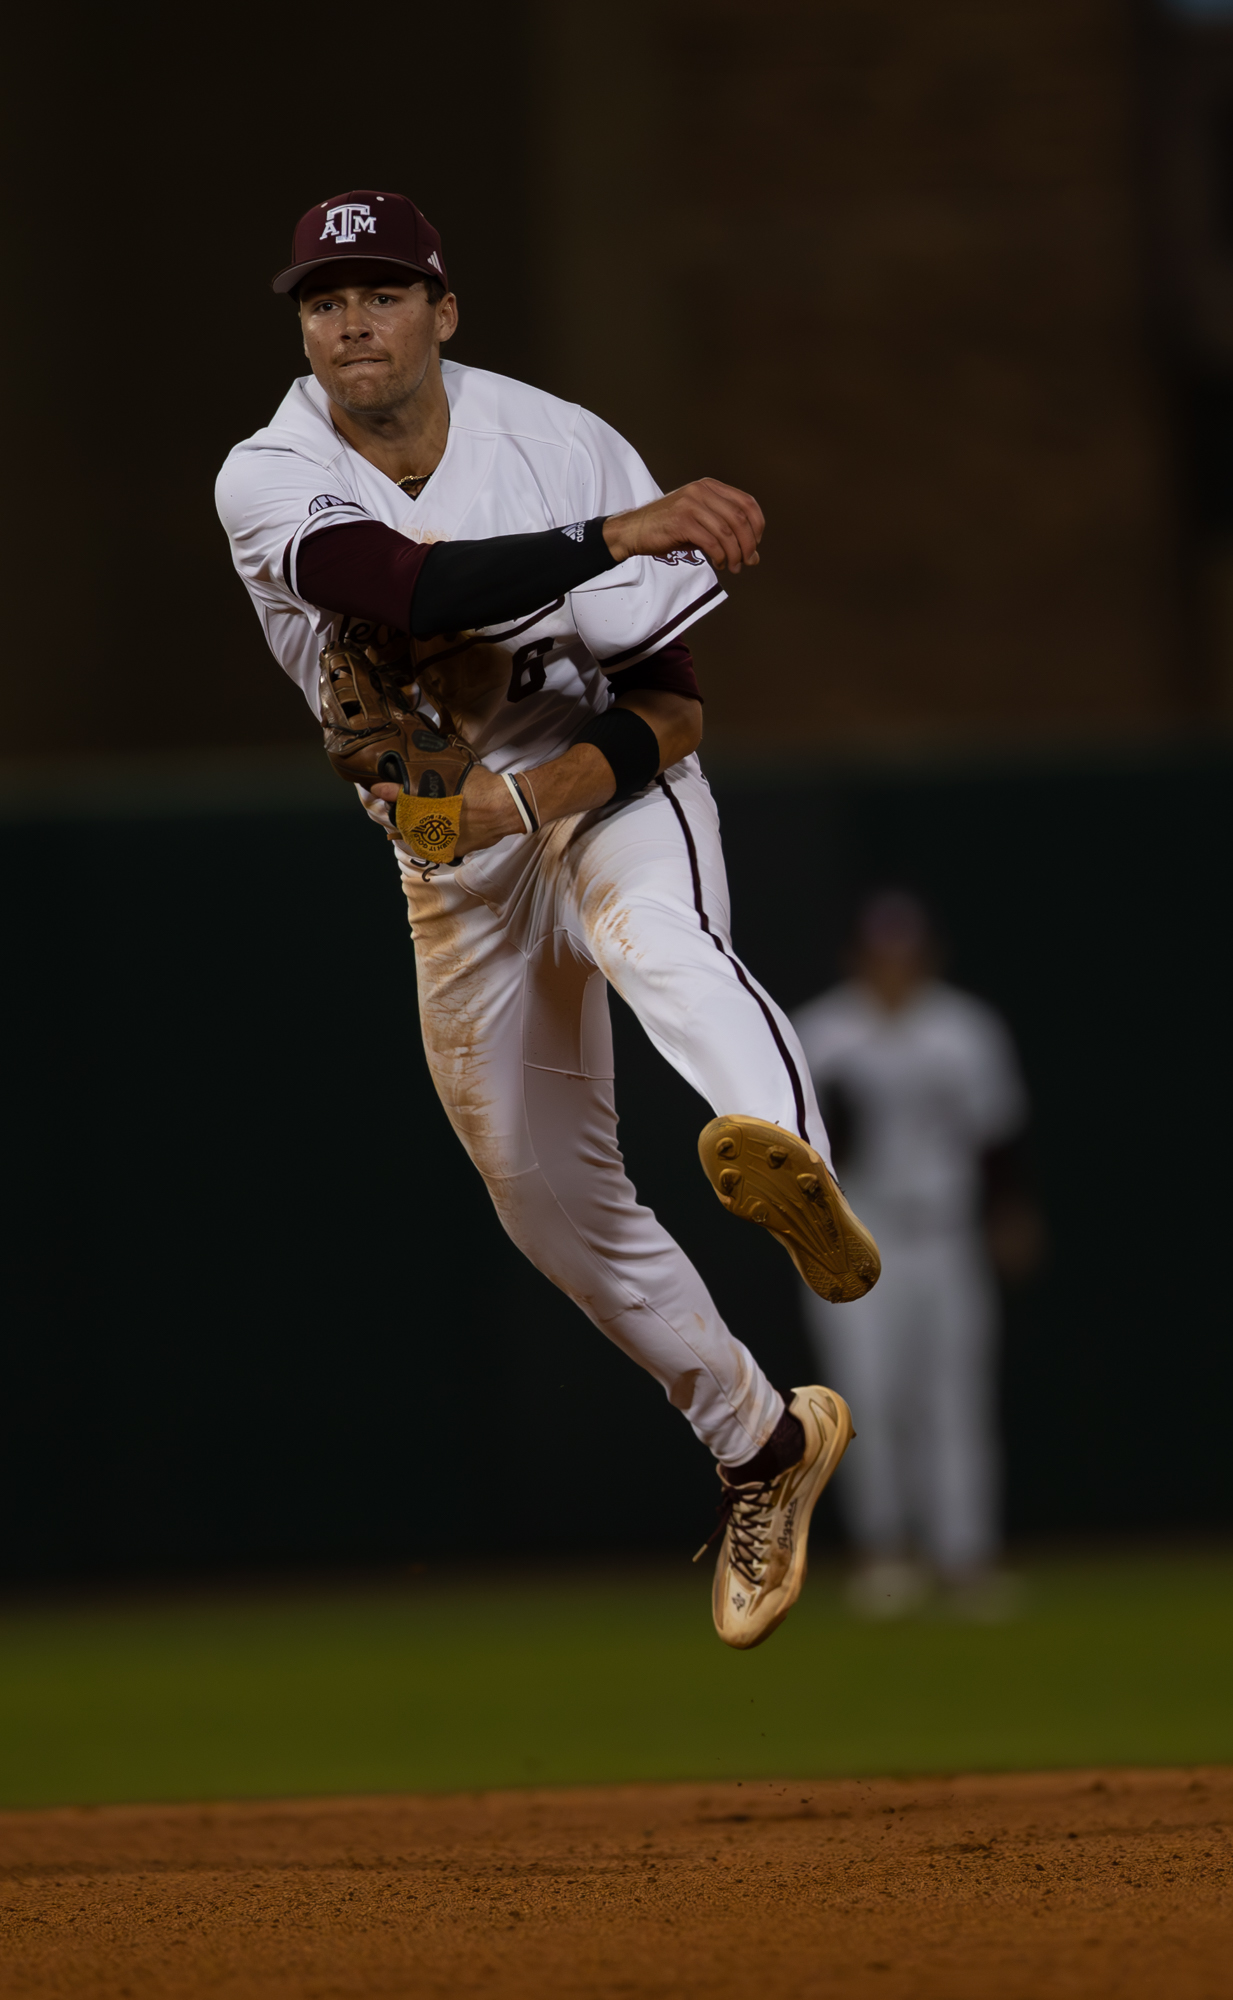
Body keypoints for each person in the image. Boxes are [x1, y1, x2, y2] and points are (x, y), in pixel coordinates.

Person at [215, 189, 882, 1649]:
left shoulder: (557, 442)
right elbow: (391, 582)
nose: (349, 319)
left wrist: (539, 803)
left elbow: (674, 710)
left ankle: (792, 1164)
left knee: (657, 944)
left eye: (383, 291)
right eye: (323, 298)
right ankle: (762, 1444)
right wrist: (616, 534)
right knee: (538, 1194)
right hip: (450, 869)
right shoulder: (266, 471)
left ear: (443, 312)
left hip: (594, 794)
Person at [794, 891, 1038, 1619]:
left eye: (906, 952)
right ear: (856, 958)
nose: (894, 967)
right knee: (867, 1398)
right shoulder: (823, 1032)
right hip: (853, 1239)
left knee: (955, 1397)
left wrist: (1010, 1214)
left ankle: (965, 1557)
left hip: (944, 1232)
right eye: (880, 953)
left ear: (928, 956)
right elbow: (791, 1151)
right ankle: (885, 1553)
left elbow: (998, 1137)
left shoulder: (964, 1030)